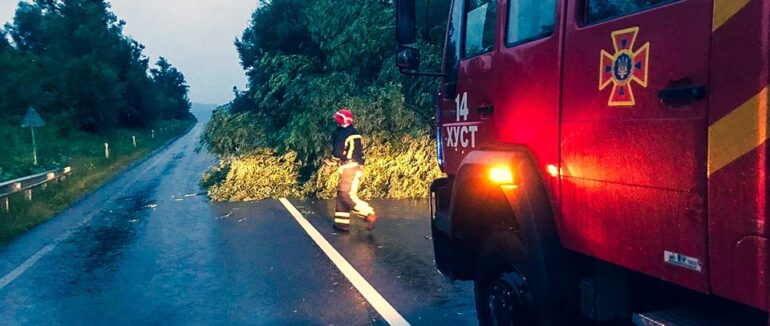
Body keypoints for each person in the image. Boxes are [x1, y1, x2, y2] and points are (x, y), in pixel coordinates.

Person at [325, 108, 377, 232]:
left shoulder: (344, 134)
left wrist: (329, 162)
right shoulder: (353, 132)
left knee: (345, 194)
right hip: (351, 166)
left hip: (350, 168)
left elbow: (338, 152)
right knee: (341, 195)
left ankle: (368, 214)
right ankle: (341, 224)